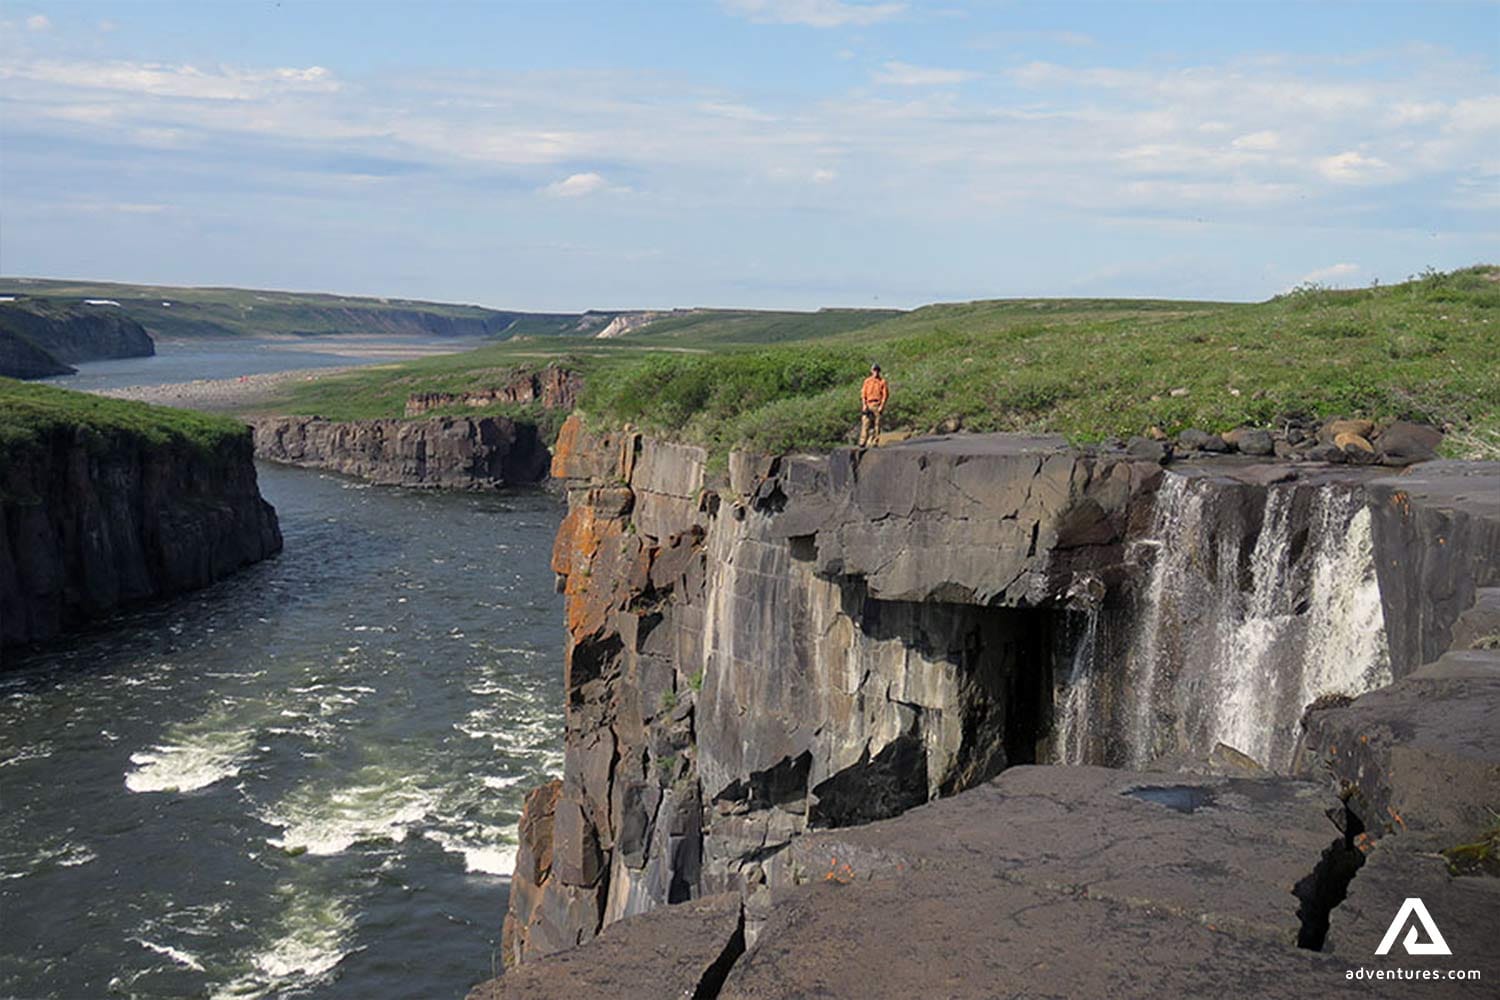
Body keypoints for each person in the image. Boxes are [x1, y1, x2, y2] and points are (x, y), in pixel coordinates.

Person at [858, 364, 888, 447]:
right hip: (868, 403)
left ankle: (875, 441)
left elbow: (885, 395)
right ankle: (862, 441)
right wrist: (864, 404)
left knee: (877, 424)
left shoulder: (882, 381)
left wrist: (882, 405)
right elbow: (863, 394)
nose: (876, 372)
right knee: (865, 423)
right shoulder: (867, 381)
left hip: (877, 404)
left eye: (877, 370)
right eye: (874, 370)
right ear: (871, 371)